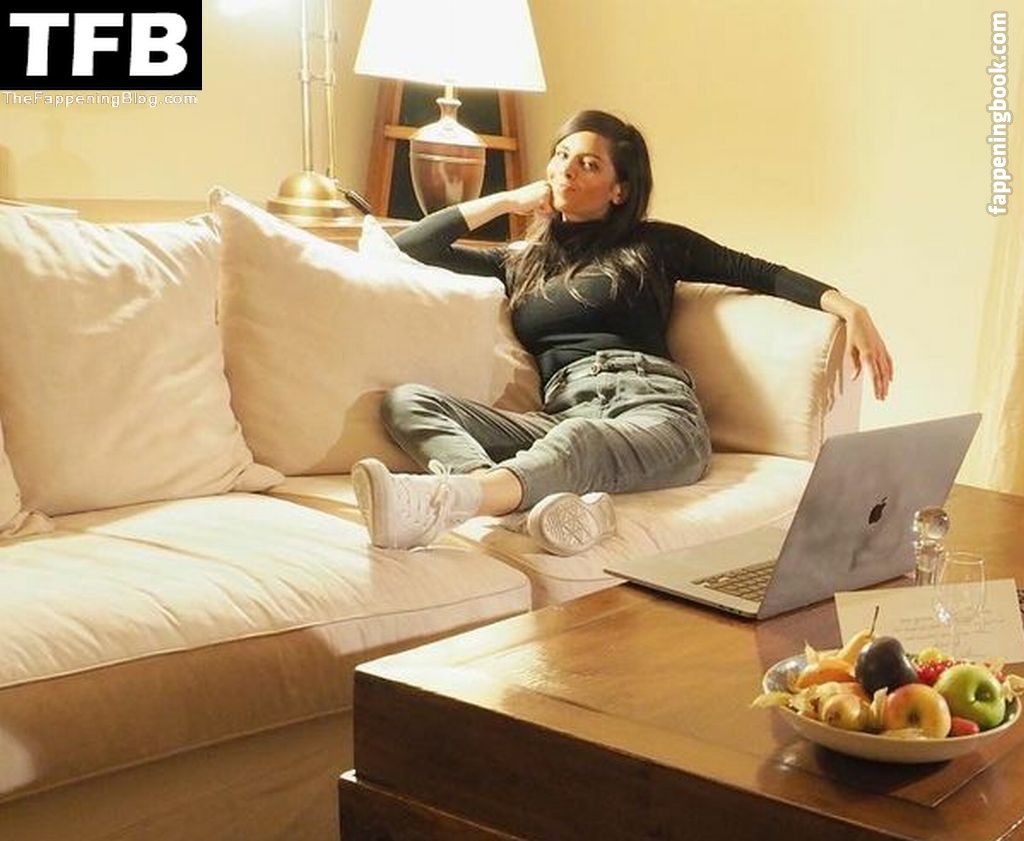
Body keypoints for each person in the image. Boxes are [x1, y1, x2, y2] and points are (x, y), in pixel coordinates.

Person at [352, 110, 893, 556]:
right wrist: (507, 201)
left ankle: (443, 502)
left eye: (587, 164)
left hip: (657, 411)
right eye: (561, 155)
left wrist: (848, 306)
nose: (566, 170)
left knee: (578, 442)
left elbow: (756, 271)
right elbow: (405, 248)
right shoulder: (521, 261)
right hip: (563, 411)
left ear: (619, 189)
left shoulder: (654, 244)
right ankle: (504, 497)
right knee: (407, 402)